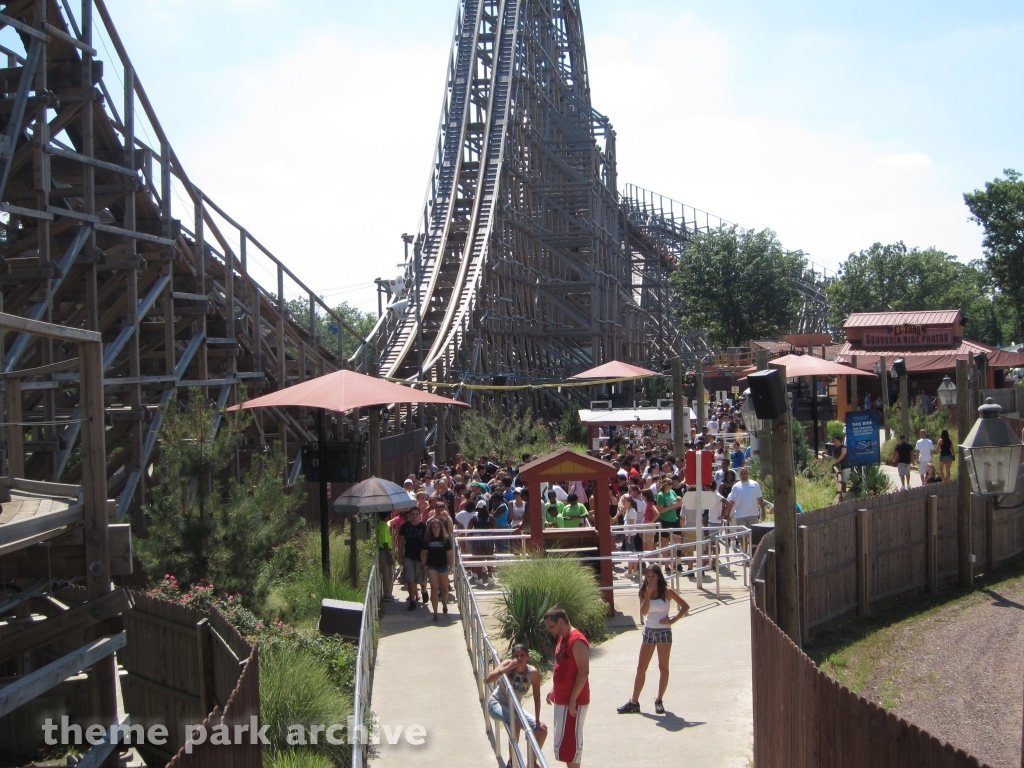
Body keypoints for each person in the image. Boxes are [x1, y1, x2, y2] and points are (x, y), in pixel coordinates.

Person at [617, 565, 690, 715]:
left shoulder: (667, 591)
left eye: (652, 576)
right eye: (647, 576)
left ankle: (659, 700)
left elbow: (685, 606)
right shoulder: (644, 591)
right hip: (649, 631)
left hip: (664, 632)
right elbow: (643, 612)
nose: (650, 579)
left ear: (658, 577)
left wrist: (672, 620)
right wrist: (648, 595)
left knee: (663, 667)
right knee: (641, 668)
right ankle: (634, 702)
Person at [486, 645, 548, 768]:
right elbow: (488, 680)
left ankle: (532, 763)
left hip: (515, 709)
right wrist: (507, 668)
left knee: (542, 730)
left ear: (528, 657)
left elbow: (537, 697)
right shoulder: (508, 665)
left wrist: (536, 721)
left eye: (522, 655)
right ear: (512, 657)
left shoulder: (533, 673)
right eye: (516, 655)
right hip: (496, 704)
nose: (519, 658)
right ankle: (512, 762)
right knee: (516, 721)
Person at [544, 607, 590, 768]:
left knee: (572, 748)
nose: (550, 630)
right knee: (564, 746)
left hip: (573, 703)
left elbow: (583, 672)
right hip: (562, 699)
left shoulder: (576, 640)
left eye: (551, 626)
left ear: (561, 622)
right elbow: (561, 665)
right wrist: (554, 688)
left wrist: (573, 700)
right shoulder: (562, 637)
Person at [723, 467, 765, 551]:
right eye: (741, 473)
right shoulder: (736, 487)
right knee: (742, 536)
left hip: (753, 514)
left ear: (748, 474)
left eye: (745, 473)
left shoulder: (755, 484)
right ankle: (745, 553)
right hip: (740, 515)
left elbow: (760, 498)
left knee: (754, 536)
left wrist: (763, 511)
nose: (743, 475)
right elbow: (731, 501)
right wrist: (728, 514)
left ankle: (753, 553)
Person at [420, 518, 454, 620]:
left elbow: (450, 554)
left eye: (437, 527)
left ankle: (444, 603)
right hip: (432, 566)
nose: (435, 529)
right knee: (434, 588)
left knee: (445, 589)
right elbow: (423, 553)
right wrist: (423, 564)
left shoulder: (445, 540)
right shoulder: (427, 540)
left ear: (440, 528)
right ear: (431, 528)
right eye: (434, 527)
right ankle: (435, 612)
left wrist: (451, 565)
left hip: (443, 566)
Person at [396, 508, 428, 611]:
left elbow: (427, 543)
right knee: (410, 579)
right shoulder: (405, 527)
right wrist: (400, 554)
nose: (414, 516)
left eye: (416, 514)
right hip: (408, 556)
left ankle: (423, 590)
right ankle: (412, 601)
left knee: (421, 579)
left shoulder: (424, 527)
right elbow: (400, 541)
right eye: (412, 514)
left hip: (420, 557)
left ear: (419, 515)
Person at [468, 499, 496, 585]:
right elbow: (496, 530)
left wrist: (471, 540)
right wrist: (493, 539)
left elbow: (468, 531)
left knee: (478, 559)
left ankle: (480, 578)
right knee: (489, 558)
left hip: (477, 540)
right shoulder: (491, 517)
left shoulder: (474, 518)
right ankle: (490, 576)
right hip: (489, 540)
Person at [376, 513, 395, 602]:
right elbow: (385, 543)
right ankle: (387, 594)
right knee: (387, 574)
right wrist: (390, 557)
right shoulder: (383, 527)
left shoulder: (380, 524)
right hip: (385, 552)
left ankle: (388, 593)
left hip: (384, 551)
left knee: (387, 573)